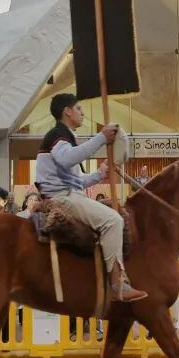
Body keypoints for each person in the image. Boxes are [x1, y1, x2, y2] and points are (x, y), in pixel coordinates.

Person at [32, 93, 144, 302]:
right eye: (79, 109)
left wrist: (100, 173)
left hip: (69, 194)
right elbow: (66, 160)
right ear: (67, 111)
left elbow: (77, 182)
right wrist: (102, 138)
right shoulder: (58, 135)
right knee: (113, 220)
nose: (82, 114)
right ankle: (118, 284)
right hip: (61, 198)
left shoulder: (65, 137)